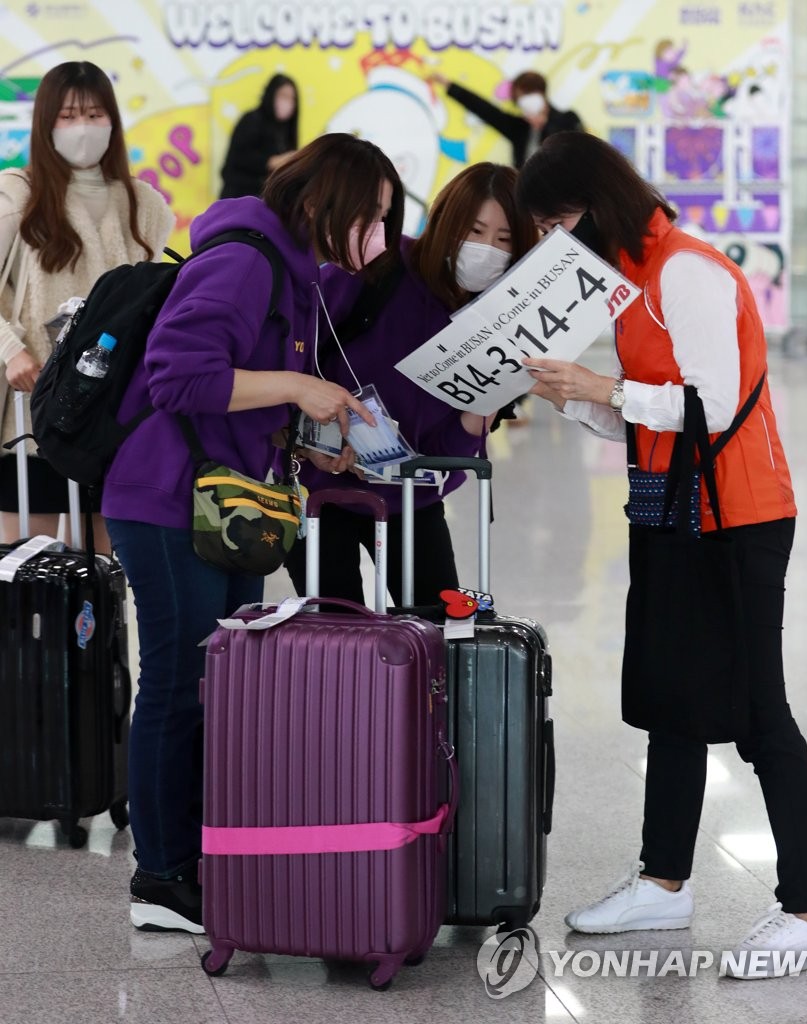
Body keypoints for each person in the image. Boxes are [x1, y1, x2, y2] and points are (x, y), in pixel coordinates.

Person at [516, 132, 807, 978]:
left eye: (558, 219)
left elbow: (713, 402)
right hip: (673, 512)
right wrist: (578, 402)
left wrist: (603, 387)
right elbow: (650, 416)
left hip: (739, 518)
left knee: (757, 710)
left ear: (599, 199)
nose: (554, 239)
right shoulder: (632, 278)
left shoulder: (685, 268)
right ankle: (664, 881)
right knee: (669, 698)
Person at [102, 133, 404, 933]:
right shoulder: (244, 262)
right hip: (166, 499)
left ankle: (204, 855)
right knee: (176, 682)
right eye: (369, 215)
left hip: (227, 503)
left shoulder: (301, 276)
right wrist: (303, 386)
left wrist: (317, 432)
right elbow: (177, 376)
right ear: (319, 204)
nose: (376, 233)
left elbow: (248, 397)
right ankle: (160, 878)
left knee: (218, 688)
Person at [285, 162, 538, 606]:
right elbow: (293, 351)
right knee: (333, 638)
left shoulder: (501, 321)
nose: (485, 250)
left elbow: (449, 451)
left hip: (412, 499)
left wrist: (485, 407)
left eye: (503, 240)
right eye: (474, 230)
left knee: (434, 633)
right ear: (445, 220)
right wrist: (307, 442)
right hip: (318, 490)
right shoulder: (378, 266)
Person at [0, 61, 174, 550]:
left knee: (99, 568)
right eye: (69, 116)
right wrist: (12, 350)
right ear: (46, 123)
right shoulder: (19, 194)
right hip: (30, 413)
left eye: (95, 115)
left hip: (111, 412)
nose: (84, 128)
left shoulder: (145, 205)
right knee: (27, 568)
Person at [428, 70, 583, 169]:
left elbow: (579, 158)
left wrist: (545, 125)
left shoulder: (568, 120)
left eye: (528, 95)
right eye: (520, 99)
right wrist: (448, 85)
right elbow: (485, 109)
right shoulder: (518, 128)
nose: (525, 102)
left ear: (542, 93)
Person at [219, 74, 299, 199]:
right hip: (239, 198)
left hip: (265, 202)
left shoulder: (285, 131)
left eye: (292, 98)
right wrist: (271, 162)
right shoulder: (252, 120)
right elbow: (237, 160)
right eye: (284, 96)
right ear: (271, 94)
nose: (288, 102)